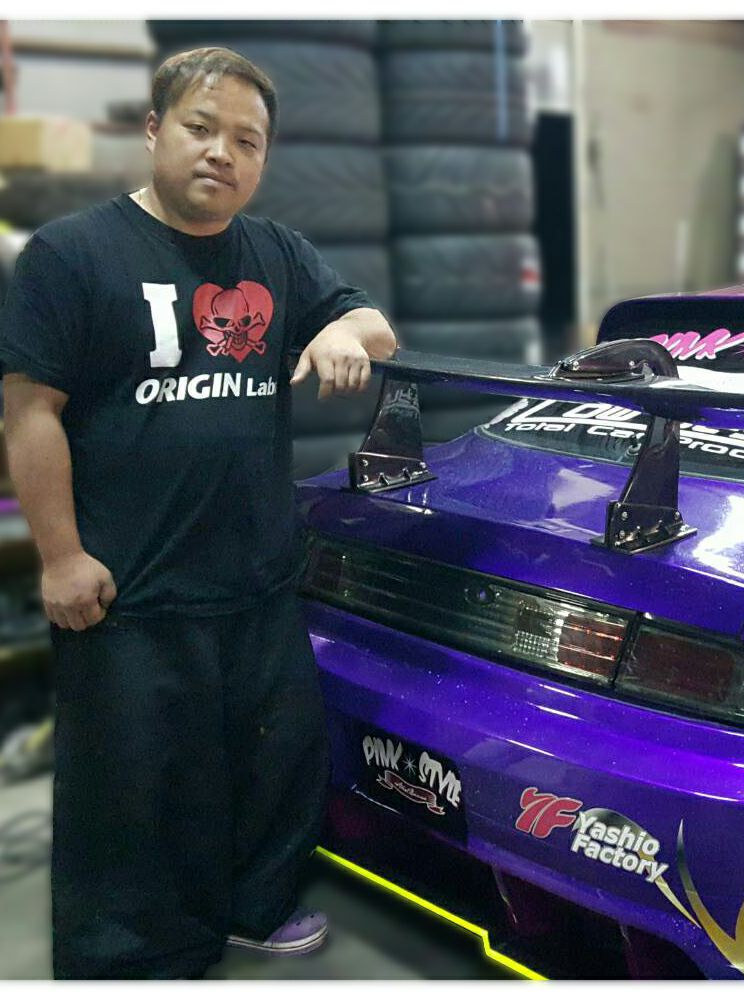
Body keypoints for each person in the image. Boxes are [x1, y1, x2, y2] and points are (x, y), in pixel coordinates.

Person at [0, 47, 397, 979]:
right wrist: (60, 558)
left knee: (270, 764)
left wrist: (341, 329)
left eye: (247, 141)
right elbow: (28, 412)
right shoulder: (72, 254)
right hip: (129, 587)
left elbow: (374, 323)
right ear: (153, 131)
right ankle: (133, 960)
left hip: (256, 577)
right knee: (135, 788)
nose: (223, 152)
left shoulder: (277, 253)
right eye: (201, 128)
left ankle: (254, 907)